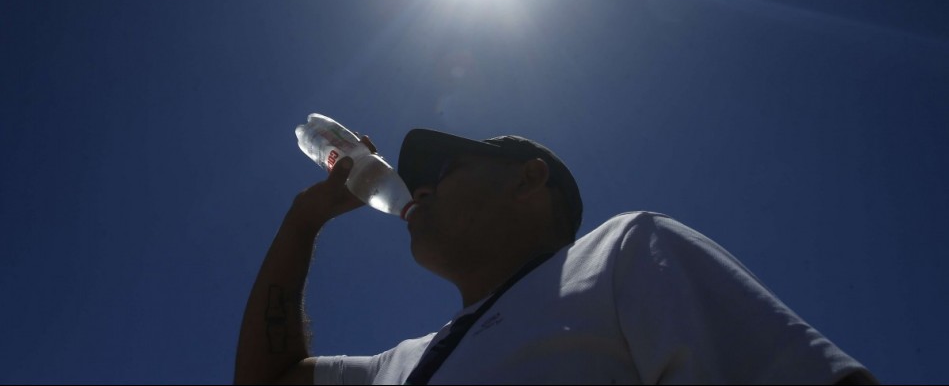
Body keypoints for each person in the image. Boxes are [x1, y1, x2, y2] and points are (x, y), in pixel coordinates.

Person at [235, 129, 877, 385]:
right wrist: (305, 219)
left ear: (527, 180)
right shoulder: (401, 365)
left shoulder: (624, 253)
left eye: (447, 169)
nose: (420, 187)